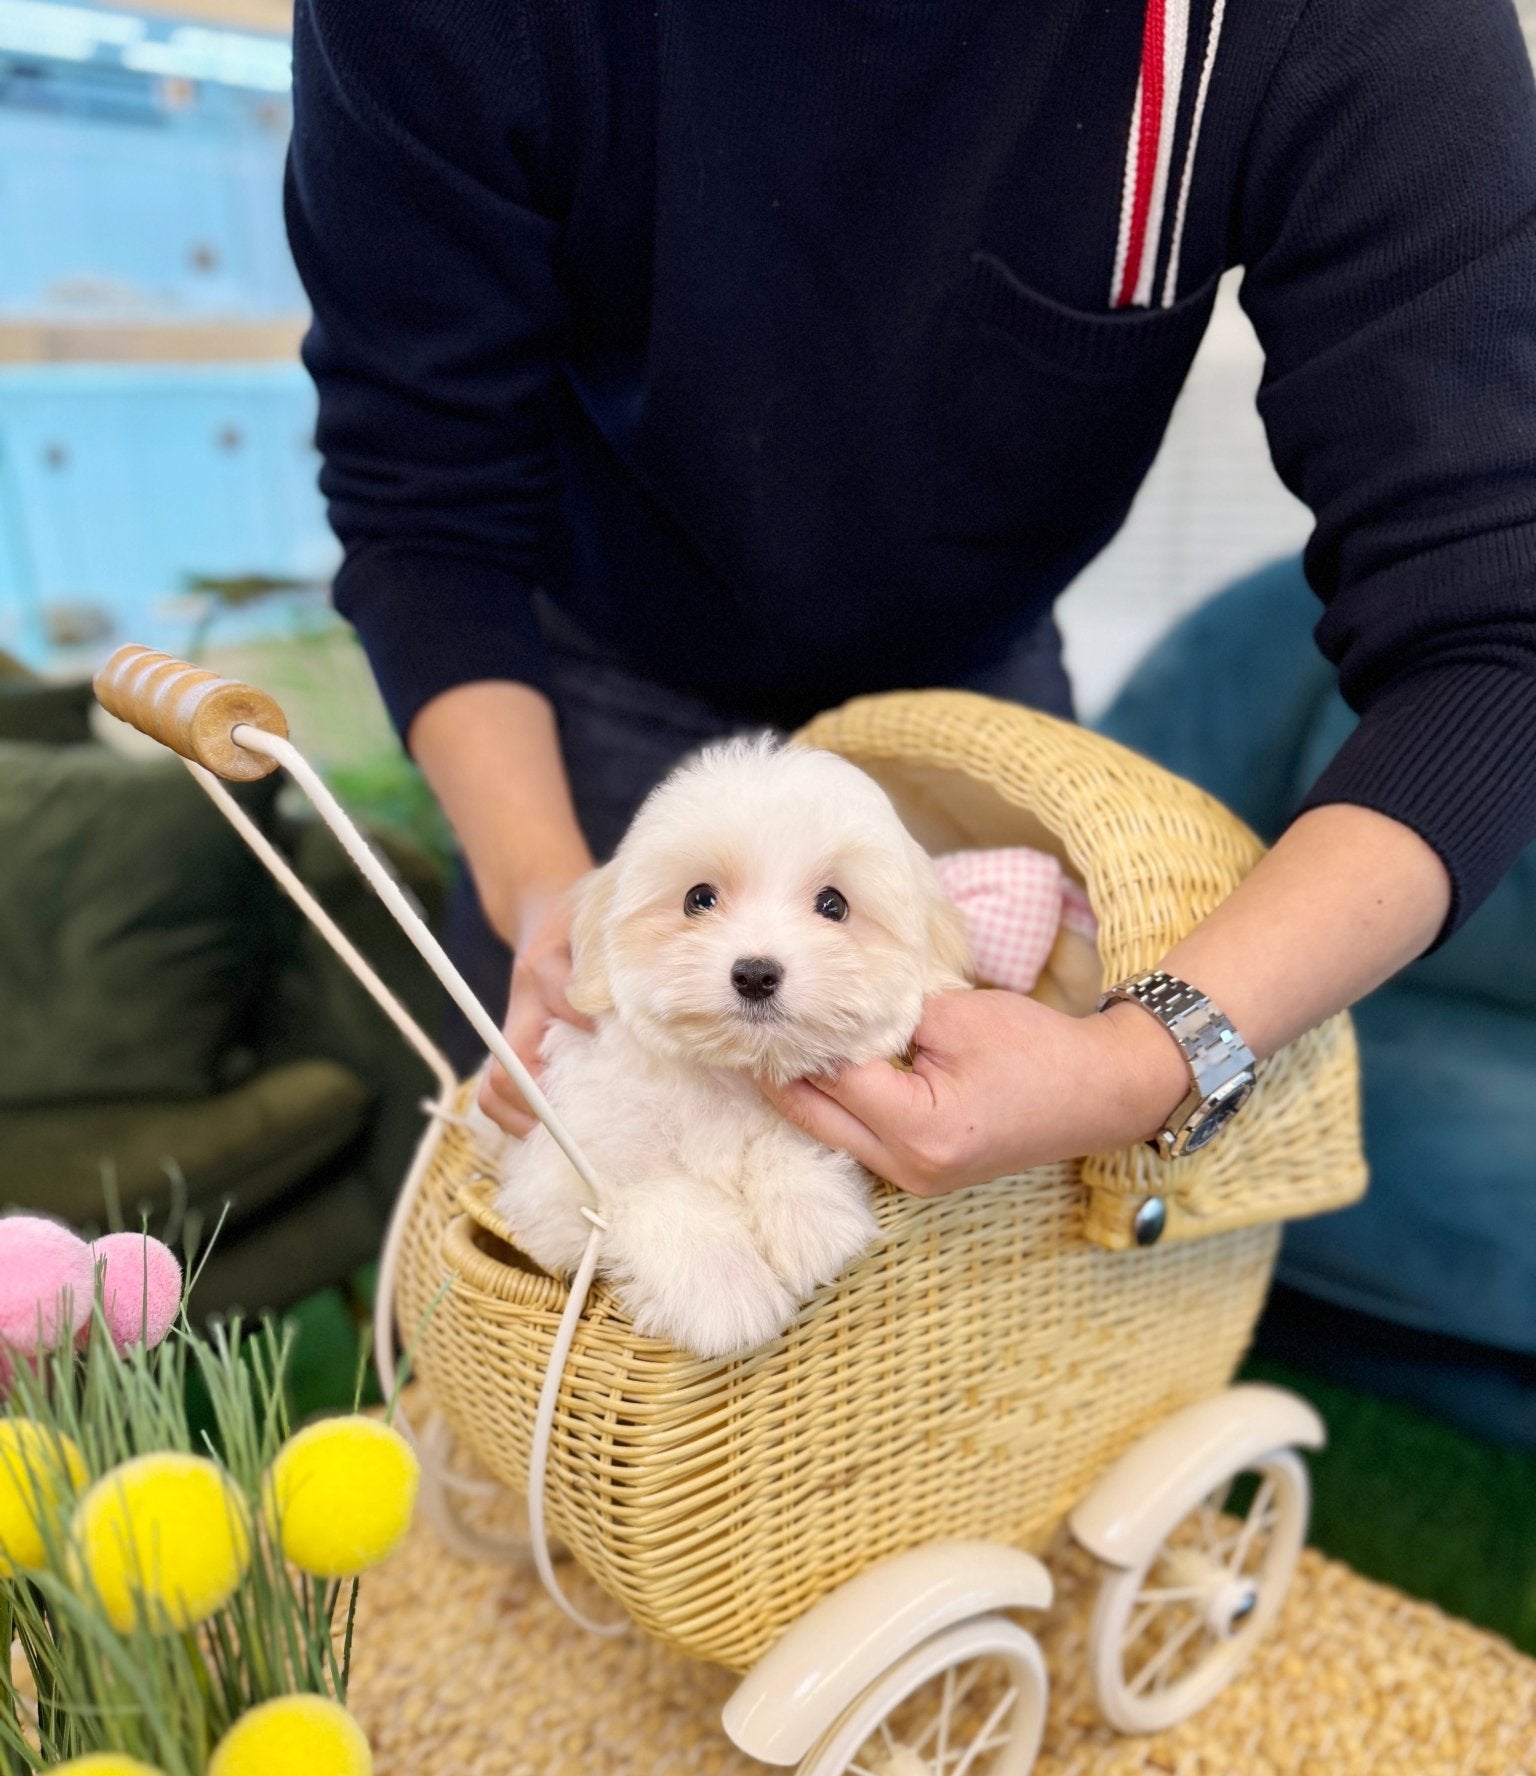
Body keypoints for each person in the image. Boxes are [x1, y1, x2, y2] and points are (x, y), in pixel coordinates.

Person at [285, 0, 1536, 1192]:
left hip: (973, 684)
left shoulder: (1319, 35)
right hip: (581, 672)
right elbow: (423, 488)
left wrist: (1139, 1060)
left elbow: (1499, 623)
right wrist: (545, 891)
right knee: (557, 1246)